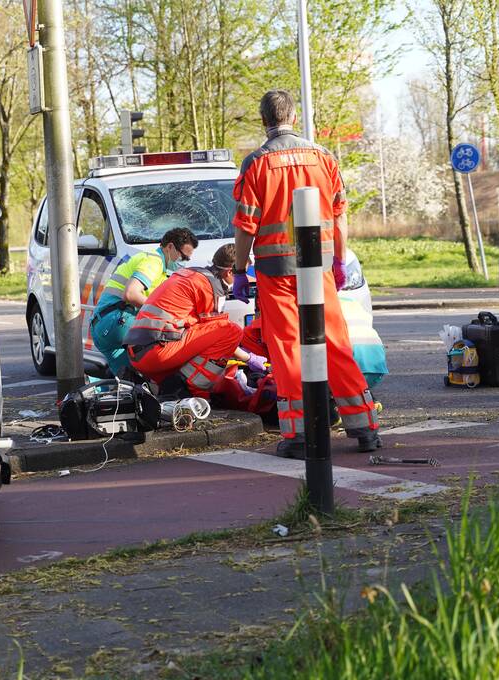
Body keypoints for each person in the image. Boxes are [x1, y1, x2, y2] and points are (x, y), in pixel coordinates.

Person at [231, 89, 380, 458]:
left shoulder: (255, 164)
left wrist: (238, 269)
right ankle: (364, 428)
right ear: (294, 118)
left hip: (276, 274)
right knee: (334, 344)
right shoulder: (324, 157)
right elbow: (341, 213)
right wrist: (341, 260)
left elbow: (246, 225)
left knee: (286, 351)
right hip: (320, 270)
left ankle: (298, 435)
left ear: (264, 120)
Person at [124, 244, 267, 398]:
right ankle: (190, 391)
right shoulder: (208, 287)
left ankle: (170, 386)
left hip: (140, 353)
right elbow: (218, 333)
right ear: (230, 272)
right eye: (243, 273)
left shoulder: (193, 275)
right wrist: (249, 358)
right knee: (232, 331)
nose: (246, 278)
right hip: (157, 353)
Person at [91, 227, 199, 376]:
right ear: (170, 247)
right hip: (117, 319)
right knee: (172, 346)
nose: (183, 262)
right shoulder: (154, 261)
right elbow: (131, 294)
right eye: (182, 257)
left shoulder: (159, 268)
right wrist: (167, 316)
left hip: (103, 325)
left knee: (129, 382)